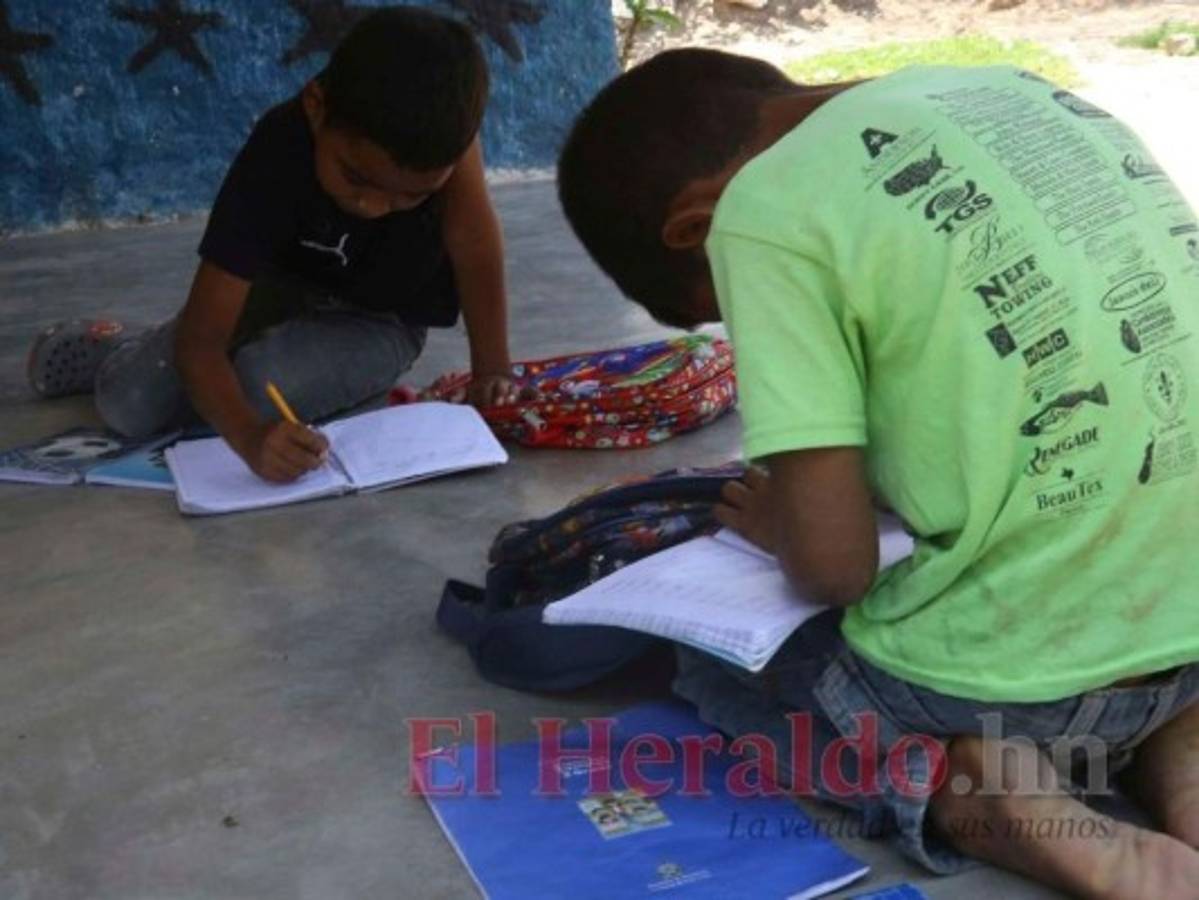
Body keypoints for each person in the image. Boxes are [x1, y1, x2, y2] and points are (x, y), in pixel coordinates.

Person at [557, 49, 1199, 898]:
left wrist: (784, 524)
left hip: (1017, 699)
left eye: (722, 316)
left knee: (714, 666)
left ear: (693, 227)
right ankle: (1179, 764)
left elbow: (834, 570)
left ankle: (985, 802)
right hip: (1184, 631)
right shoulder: (1012, 87)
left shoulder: (759, 209)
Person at [28, 7, 517, 482]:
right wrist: (248, 439)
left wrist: (491, 367)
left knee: (256, 388)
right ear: (316, 106)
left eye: (413, 195)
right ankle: (126, 344)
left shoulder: (449, 145)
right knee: (129, 403)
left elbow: (474, 247)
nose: (374, 206)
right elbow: (202, 344)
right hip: (278, 287)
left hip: (381, 321)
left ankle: (190, 358)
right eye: (355, 178)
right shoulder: (277, 150)